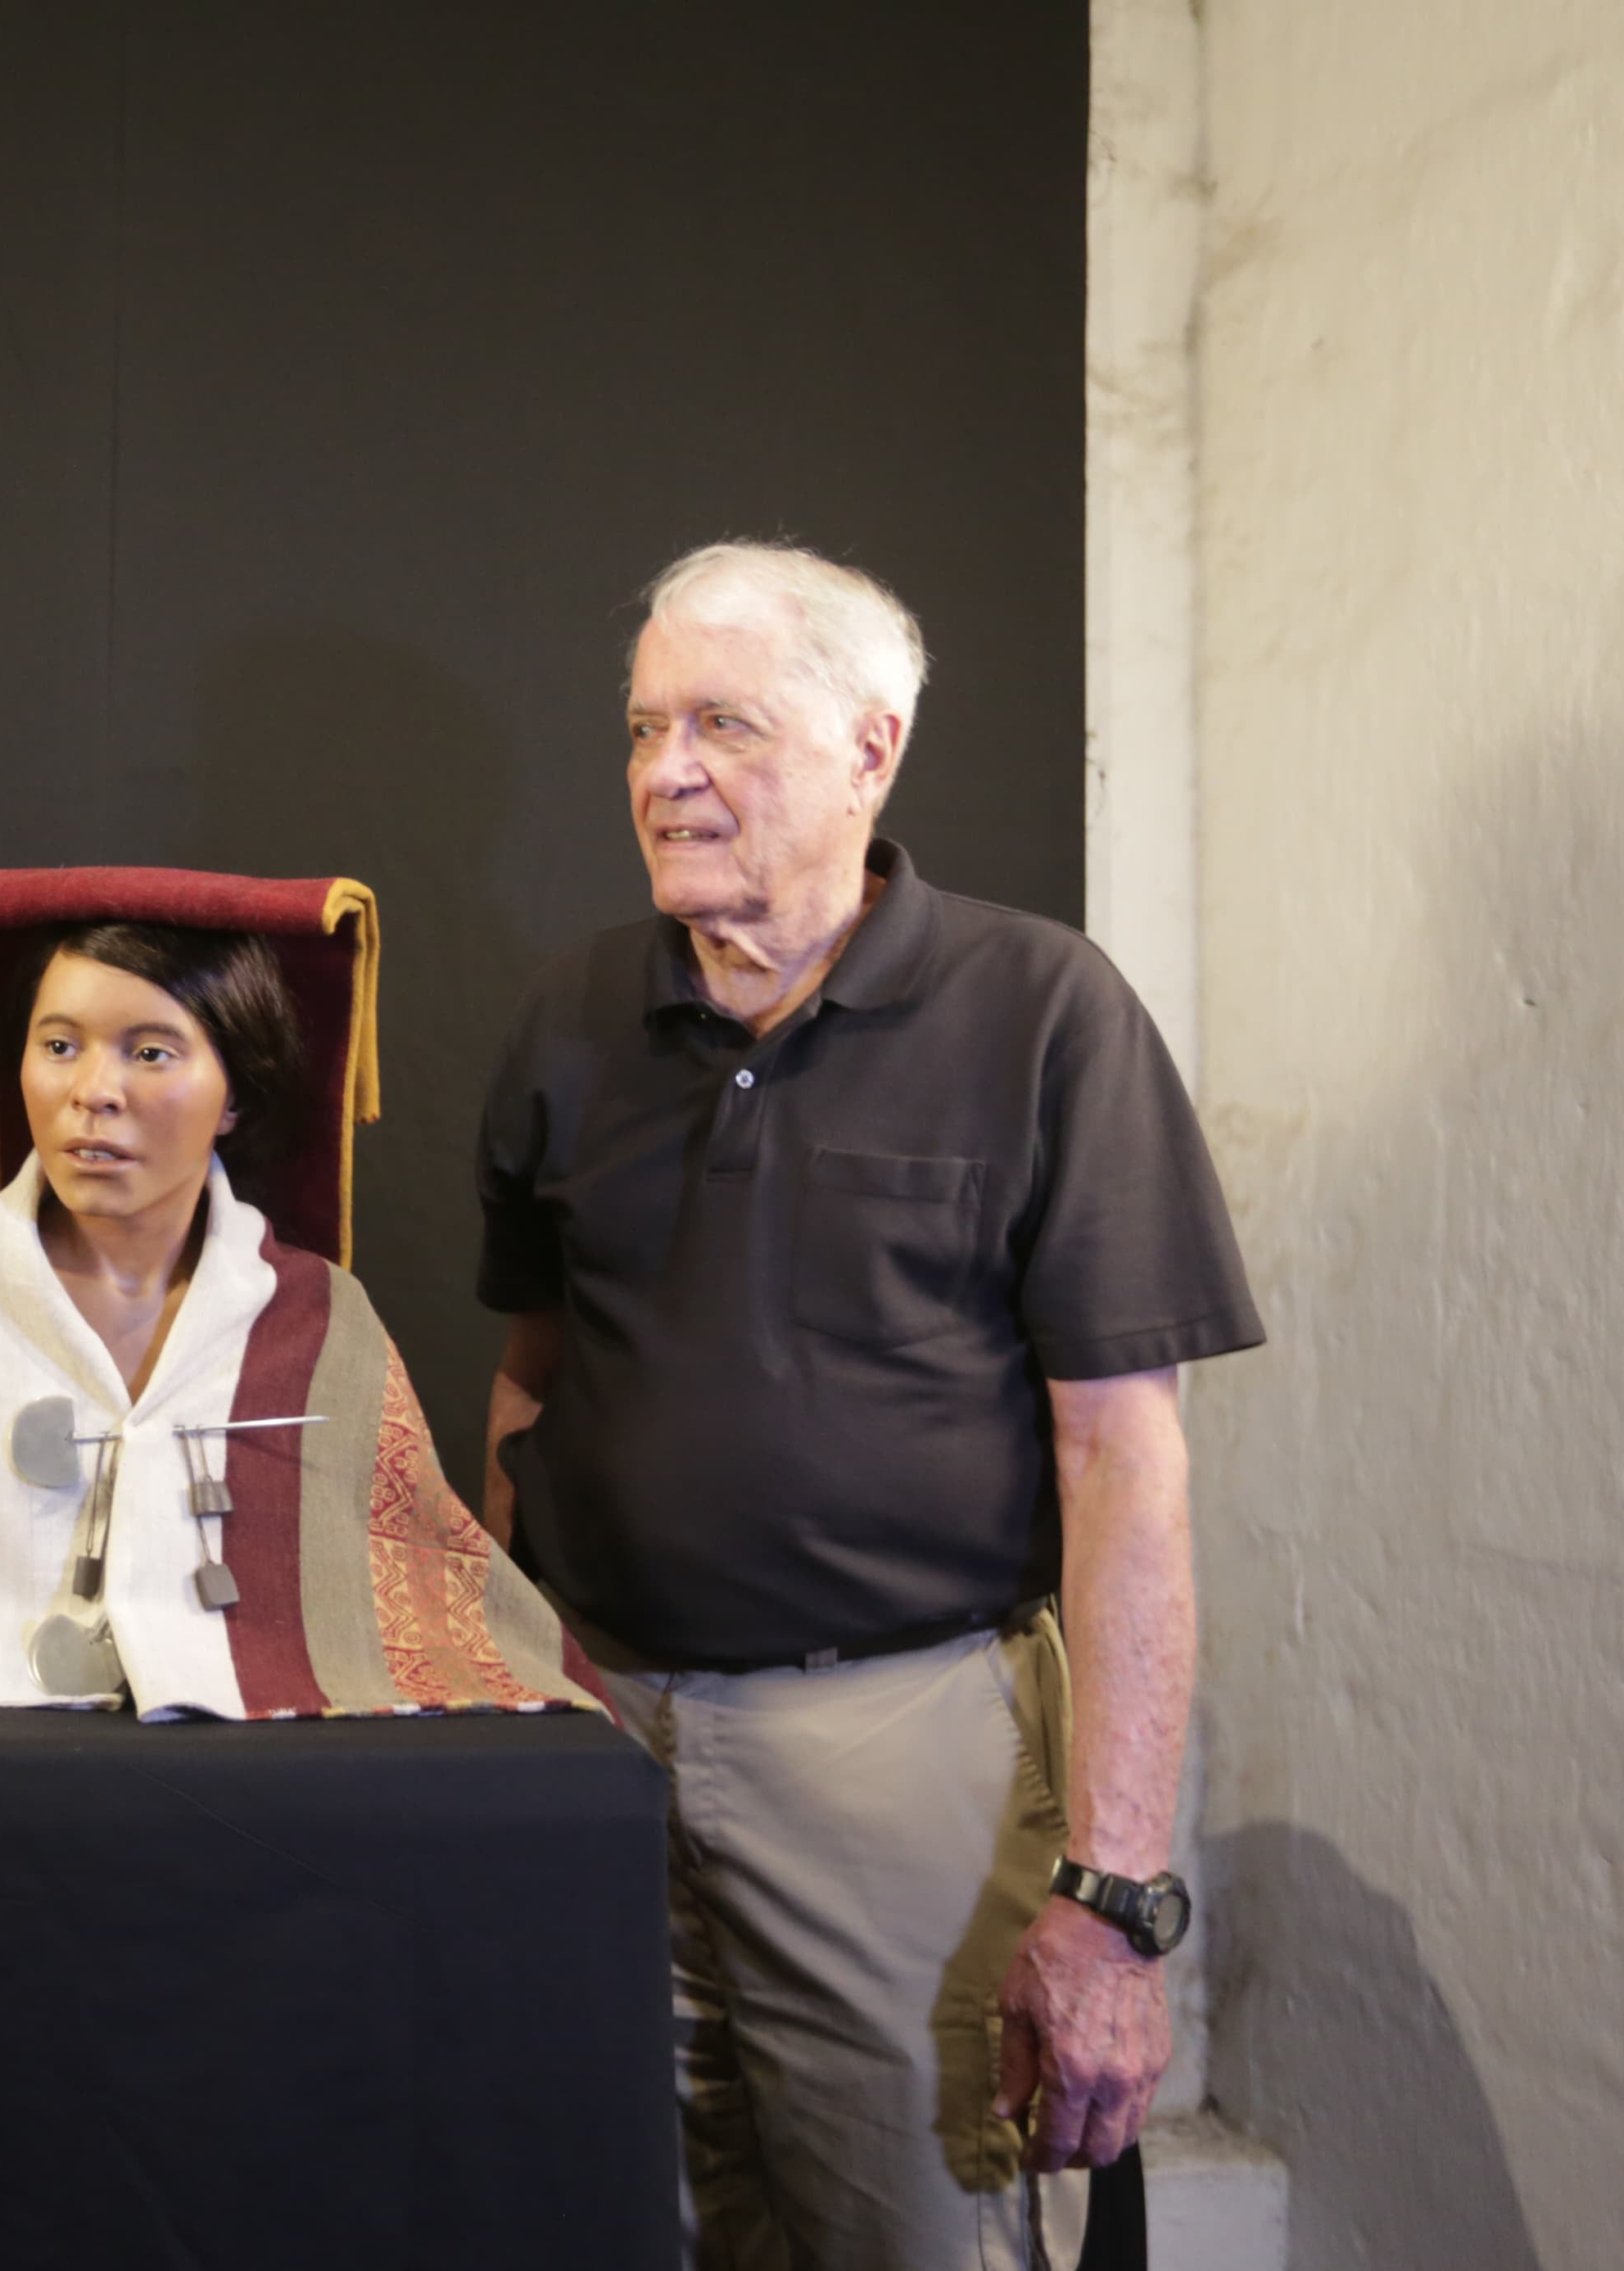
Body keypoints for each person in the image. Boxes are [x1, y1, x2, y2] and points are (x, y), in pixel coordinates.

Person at [476, 542, 1261, 2269]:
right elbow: (532, 1376)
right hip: (598, 1744)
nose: (666, 772)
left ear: (869, 749)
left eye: (724, 726)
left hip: (901, 1757)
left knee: (917, 2236)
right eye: (642, 727)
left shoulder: (1043, 1012)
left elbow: (1126, 1462)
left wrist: (1114, 1901)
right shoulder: (568, 1015)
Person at [0, 866, 600, 1721]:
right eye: (58, 1045)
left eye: (149, 1051)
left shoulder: (316, 1320)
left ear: (236, 1094)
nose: (93, 1091)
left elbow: (423, 1590)